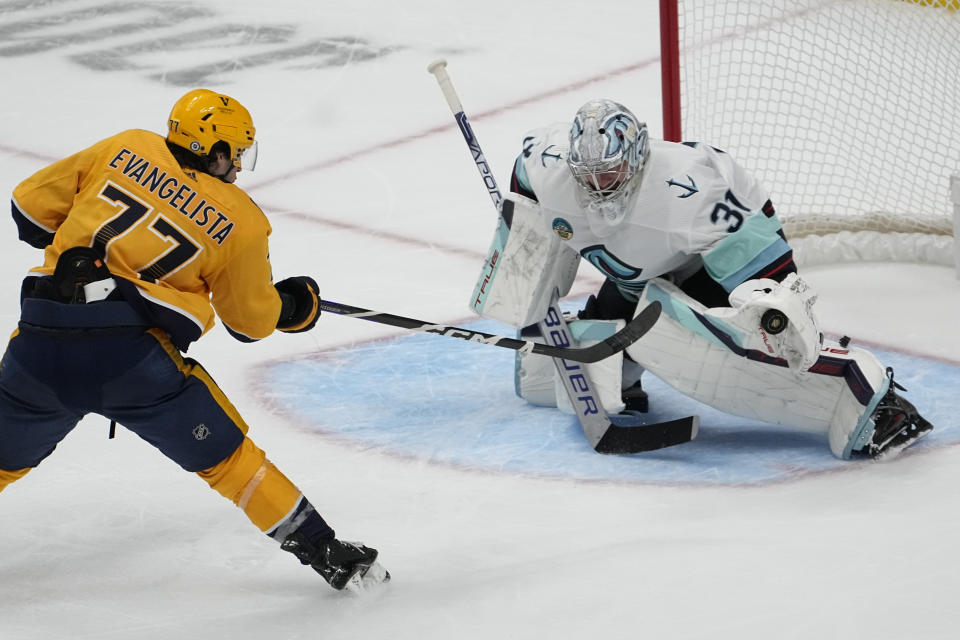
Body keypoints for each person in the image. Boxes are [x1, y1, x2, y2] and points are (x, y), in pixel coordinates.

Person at [0, 88, 389, 592]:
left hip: (42, 344)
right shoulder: (242, 219)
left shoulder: (126, 146)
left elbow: (28, 211)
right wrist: (293, 307)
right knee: (230, 462)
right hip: (133, 364)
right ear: (216, 150)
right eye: (237, 154)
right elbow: (249, 322)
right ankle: (328, 554)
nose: (240, 168)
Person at [494, 98, 932, 459]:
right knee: (590, 346)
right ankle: (626, 378)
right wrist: (523, 253)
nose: (597, 188)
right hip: (638, 262)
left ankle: (875, 403)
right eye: (586, 177)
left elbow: (765, 266)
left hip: (723, 245)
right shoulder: (549, 166)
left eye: (607, 174)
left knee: (733, 341)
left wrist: (775, 315)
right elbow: (525, 178)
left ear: (635, 159)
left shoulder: (688, 192)